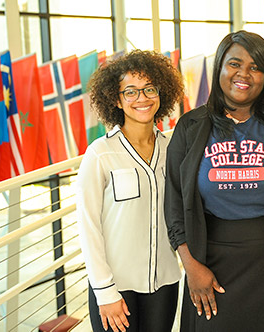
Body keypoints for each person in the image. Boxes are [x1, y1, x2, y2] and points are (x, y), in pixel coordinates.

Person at [165, 30, 264, 331]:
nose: (244, 74)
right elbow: (174, 207)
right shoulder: (191, 126)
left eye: (255, 67)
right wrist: (192, 268)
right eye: (235, 64)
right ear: (220, 68)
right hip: (209, 265)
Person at [76, 50, 184, 332]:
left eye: (149, 89)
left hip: (164, 283)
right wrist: (105, 292)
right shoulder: (101, 154)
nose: (142, 98)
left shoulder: (172, 150)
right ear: (116, 98)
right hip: (116, 288)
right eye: (131, 92)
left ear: (162, 93)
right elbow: (88, 227)